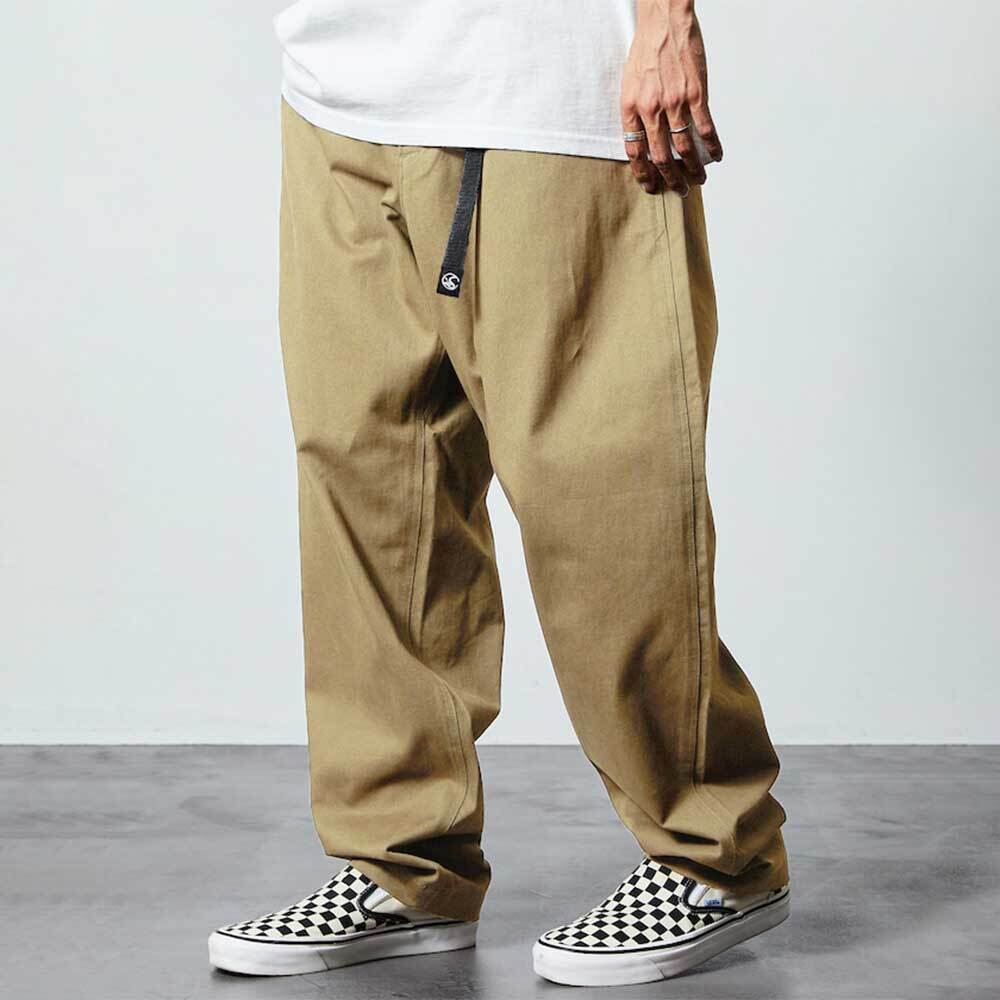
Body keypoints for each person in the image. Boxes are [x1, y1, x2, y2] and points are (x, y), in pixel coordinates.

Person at [207, 0, 789, 986]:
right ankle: (405, 864)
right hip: (339, 90)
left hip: (543, 97)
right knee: (369, 483)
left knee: (602, 492)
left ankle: (713, 855)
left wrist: (665, 21)